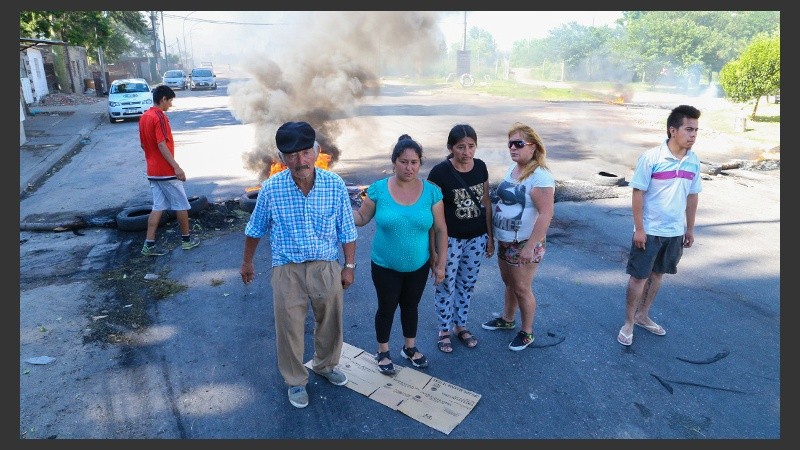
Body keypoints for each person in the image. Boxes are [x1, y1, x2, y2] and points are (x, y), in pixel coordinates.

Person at [240, 121, 358, 408]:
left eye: (305, 153)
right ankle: (295, 380)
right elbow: (255, 229)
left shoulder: (334, 184)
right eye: (291, 155)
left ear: (316, 152)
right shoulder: (271, 189)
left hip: (325, 265)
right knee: (289, 327)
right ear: (282, 158)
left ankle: (325, 365)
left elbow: (347, 230)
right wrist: (247, 263)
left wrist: (349, 266)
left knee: (331, 321)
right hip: (287, 268)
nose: (299, 161)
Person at [353, 134, 448, 374]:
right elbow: (362, 218)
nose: (409, 167)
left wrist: (441, 265)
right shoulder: (378, 190)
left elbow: (440, 229)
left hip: (418, 264)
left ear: (420, 163)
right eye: (404, 161)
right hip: (385, 264)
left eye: (414, 162)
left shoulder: (431, 192)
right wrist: (338, 211)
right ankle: (383, 351)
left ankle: (409, 348)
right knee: (386, 306)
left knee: (411, 306)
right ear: (394, 162)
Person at [617, 105, 702, 346]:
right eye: (689, 129)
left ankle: (643, 315)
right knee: (638, 277)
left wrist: (690, 229)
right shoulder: (652, 158)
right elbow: (637, 193)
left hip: (674, 232)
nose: (693, 135)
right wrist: (639, 229)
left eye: (696, 130)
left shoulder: (693, 161)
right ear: (672, 130)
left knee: (658, 274)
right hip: (650, 231)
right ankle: (628, 323)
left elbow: (693, 196)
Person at [481, 122, 555, 351]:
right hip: (506, 239)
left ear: (533, 147)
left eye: (518, 144)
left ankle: (527, 332)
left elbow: (546, 214)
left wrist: (530, 246)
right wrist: (493, 237)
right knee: (509, 283)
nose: (513, 148)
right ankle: (507, 318)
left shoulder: (540, 176)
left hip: (524, 242)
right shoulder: (512, 170)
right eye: (510, 144)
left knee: (522, 287)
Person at [426, 124, 494, 353]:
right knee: (445, 283)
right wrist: (434, 250)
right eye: (461, 147)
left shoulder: (481, 167)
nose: (467, 152)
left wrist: (490, 237)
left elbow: (485, 202)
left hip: (476, 238)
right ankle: (444, 329)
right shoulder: (439, 173)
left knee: (467, 284)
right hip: (450, 240)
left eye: (471, 146)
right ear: (450, 148)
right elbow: (431, 212)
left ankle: (460, 325)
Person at [138, 84, 200, 256]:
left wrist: (153, 160)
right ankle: (187, 241)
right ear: (163, 99)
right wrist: (176, 167)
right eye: (170, 101)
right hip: (166, 172)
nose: (171, 105)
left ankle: (148, 245)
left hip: (152, 171)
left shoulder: (144, 117)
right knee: (181, 205)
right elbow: (161, 143)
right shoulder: (160, 117)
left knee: (158, 207)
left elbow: (143, 144)